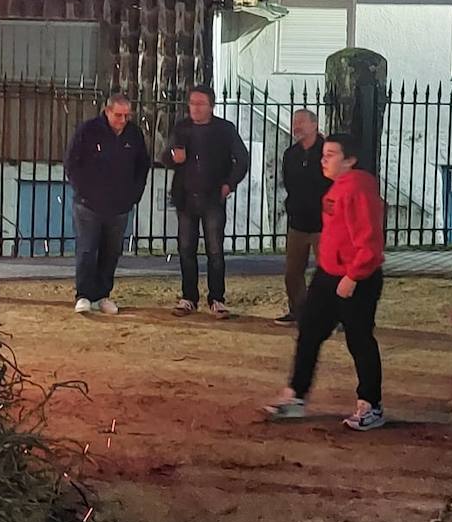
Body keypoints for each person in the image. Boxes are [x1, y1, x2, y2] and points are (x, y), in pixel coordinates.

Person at [265, 133, 388, 431]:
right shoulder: (337, 187)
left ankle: (370, 405)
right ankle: (296, 395)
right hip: (328, 274)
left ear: (350, 160)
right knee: (309, 332)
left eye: (331, 154)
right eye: (324, 153)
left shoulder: (359, 190)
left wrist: (353, 275)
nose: (324, 159)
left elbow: (370, 242)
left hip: (355, 278)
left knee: (359, 340)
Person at [164, 84, 250, 319]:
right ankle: (189, 297)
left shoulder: (224, 129)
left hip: (213, 198)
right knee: (185, 249)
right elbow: (164, 155)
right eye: (192, 103)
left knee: (214, 250)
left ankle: (217, 298)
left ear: (211, 106)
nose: (195, 108)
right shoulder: (181, 128)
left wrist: (229, 184)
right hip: (186, 198)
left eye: (200, 104)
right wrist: (174, 157)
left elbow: (241, 159)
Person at [64, 94, 151, 316]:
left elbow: (142, 166)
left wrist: (133, 195)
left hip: (119, 205)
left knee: (111, 252)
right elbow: (72, 162)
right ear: (107, 111)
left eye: (126, 115)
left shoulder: (134, 134)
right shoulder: (89, 130)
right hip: (88, 204)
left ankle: (102, 294)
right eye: (119, 115)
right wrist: (84, 191)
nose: (123, 120)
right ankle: (83, 294)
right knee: (86, 249)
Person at [276, 109, 332, 326]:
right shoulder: (290, 154)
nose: (296, 127)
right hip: (298, 222)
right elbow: (289, 183)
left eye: (301, 122)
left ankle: (328, 314)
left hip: (323, 223)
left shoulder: (326, 151)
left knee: (327, 271)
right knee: (292, 272)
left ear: (314, 125)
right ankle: (299, 311)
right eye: (294, 122)